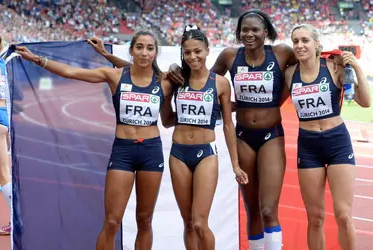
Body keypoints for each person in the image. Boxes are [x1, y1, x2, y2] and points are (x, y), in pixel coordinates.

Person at [16, 30, 175, 250]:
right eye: (139, 47)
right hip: (123, 152)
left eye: (149, 48)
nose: (144, 52)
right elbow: (71, 72)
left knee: (145, 221)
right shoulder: (116, 76)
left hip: (151, 153)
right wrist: (36, 59)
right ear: (131, 50)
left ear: (156, 53)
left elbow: (195, 77)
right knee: (111, 221)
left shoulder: (166, 82)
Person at [168, 10, 296, 250]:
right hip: (243, 136)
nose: (249, 34)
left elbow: (301, 71)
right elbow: (203, 79)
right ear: (238, 33)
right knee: (252, 210)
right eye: (244, 30)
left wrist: (279, 98)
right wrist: (177, 64)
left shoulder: (281, 53)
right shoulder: (229, 56)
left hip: (272, 135)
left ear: (265, 32)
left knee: (268, 210)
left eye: (255, 29)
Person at [285, 23, 371, 250]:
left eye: (305, 40)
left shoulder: (334, 67)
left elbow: (365, 102)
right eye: (295, 41)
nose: (300, 45)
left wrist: (357, 68)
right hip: (308, 145)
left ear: (317, 44)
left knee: (343, 215)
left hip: (337, 142)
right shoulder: (289, 74)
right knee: (315, 218)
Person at [166, 25, 248, 250]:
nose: (193, 57)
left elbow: (228, 126)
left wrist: (235, 165)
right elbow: (165, 119)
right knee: (189, 223)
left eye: (198, 51)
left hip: (206, 154)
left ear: (207, 50)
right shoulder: (177, 79)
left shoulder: (220, 83)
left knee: (201, 223)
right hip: (178, 153)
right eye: (188, 52)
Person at [0, 32, 12, 236]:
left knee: (3, 174)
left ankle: (19, 220)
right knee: (1, 172)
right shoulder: (1, 63)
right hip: (2, 115)